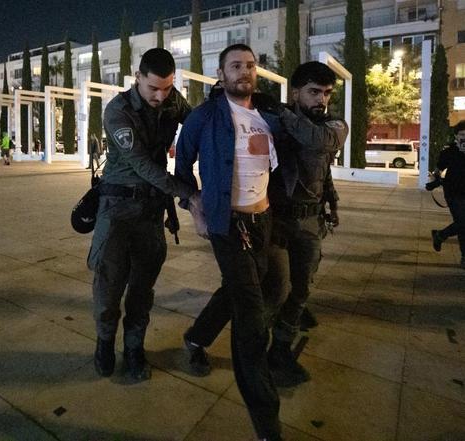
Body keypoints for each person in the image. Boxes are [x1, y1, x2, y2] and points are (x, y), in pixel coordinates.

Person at [175, 44, 283, 441]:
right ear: (221, 74)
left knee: (241, 290)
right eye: (235, 66)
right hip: (228, 222)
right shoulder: (205, 116)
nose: (244, 71)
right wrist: (195, 207)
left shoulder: (268, 114)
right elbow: (182, 167)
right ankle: (266, 422)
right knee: (251, 318)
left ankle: (196, 337)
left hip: (263, 219)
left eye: (250, 65)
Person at [89, 48, 194, 383]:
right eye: (154, 88)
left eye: (168, 88)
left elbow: (197, 124)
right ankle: (105, 342)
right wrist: (189, 193)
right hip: (117, 211)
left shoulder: (172, 101)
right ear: (138, 78)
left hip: (150, 211)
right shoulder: (117, 111)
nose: (161, 96)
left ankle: (134, 348)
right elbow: (143, 165)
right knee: (109, 287)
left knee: (142, 289)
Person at [258, 61, 347, 388]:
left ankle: (280, 349)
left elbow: (320, 150)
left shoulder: (332, 126)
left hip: (309, 221)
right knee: (275, 290)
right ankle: (255, 349)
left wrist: (331, 200)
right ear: (296, 92)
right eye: (314, 92)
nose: (322, 99)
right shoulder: (276, 122)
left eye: (326, 93)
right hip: (277, 220)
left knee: (301, 289)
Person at [428, 120, 465, 269]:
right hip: (453, 193)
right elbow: (438, 170)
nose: (464, 138)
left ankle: (440, 235)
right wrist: (435, 181)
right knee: (462, 222)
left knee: (462, 225)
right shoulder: (449, 151)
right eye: (462, 135)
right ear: (456, 136)